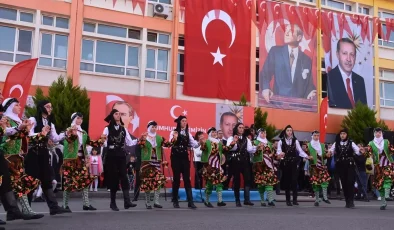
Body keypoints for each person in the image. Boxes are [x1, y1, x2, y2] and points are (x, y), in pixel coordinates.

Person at [0, 98, 44, 219]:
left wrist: (41, 134)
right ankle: (21, 211)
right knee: (15, 184)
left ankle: (17, 211)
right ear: (10, 106)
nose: (20, 107)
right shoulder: (6, 119)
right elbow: (8, 133)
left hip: (16, 157)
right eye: (17, 105)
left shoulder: (18, 121)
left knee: (18, 184)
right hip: (7, 156)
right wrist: (22, 128)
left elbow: (28, 137)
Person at [260, 24, 316, 102]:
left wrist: (311, 92)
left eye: (291, 31)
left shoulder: (306, 60)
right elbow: (265, 74)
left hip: (299, 107)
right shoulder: (276, 52)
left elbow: (309, 85)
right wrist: (265, 88)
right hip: (277, 103)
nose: (286, 33)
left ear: (299, 38)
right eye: (286, 30)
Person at [62, 112, 105, 211]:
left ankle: (86, 204)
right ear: (73, 119)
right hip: (70, 160)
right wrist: (72, 133)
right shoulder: (69, 130)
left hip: (81, 160)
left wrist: (100, 140)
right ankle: (65, 205)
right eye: (78, 118)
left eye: (81, 118)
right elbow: (68, 140)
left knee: (85, 181)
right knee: (68, 182)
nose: (80, 120)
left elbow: (90, 143)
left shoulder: (84, 133)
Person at [102, 109, 139, 211]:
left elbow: (130, 142)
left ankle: (127, 202)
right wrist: (103, 141)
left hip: (121, 155)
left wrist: (139, 140)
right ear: (112, 116)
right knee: (114, 178)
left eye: (119, 114)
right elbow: (104, 142)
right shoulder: (107, 129)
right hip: (111, 155)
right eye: (116, 114)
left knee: (124, 176)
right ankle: (112, 203)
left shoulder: (124, 129)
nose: (118, 115)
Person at [138, 120, 173, 209]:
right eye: (152, 127)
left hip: (157, 162)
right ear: (149, 127)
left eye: (155, 127)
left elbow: (167, 144)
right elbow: (140, 145)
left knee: (159, 180)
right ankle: (148, 202)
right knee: (148, 182)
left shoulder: (159, 138)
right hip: (147, 162)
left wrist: (174, 138)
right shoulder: (144, 137)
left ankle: (156, 201)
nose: (154, 128)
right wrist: (142, 138)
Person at [327, 38, 367, 109]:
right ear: (337, 55)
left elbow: (363, 111)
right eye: (345, 53)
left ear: (355, 57)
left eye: (352, 54)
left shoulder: (360, 81)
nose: (348, 59)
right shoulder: (329, 77)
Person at [169, 115, 199, 209]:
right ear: (179, 122)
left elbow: (194, 144)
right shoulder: (174, 132)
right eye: (183, 121)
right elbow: (170, 143)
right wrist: (174, 138)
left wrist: (200, 143)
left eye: (186, 121)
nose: (184, 122)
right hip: (176, 157)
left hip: (185, 157)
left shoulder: (187, 133)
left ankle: (190, 202)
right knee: (177, 179)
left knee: (187, 179)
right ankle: (175, 200)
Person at [277, 125, 311, 206]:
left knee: (294, 181)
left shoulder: (295, 141)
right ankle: (288, 200)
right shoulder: (281, 141)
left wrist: (307, 156)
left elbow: (300, 151)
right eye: (288, 130)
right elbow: (278, 151)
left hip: (294, 163)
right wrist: (280, 154)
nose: (289, 132)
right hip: (285, 163)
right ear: (285, 131)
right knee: (287, 182)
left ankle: (295, 200)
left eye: (290, 130)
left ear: (292, 132)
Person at [328, 128, 360, 209]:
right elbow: (330, 151)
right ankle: (347, 201)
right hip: (341, 166)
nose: (342, 135)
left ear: (347, 135)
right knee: (344, 183)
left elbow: (358, 152)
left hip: (349, 165)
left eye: (344, 134)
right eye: (341, 134)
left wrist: (362, 151)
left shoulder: (351, 143)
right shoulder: (336, 143)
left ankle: (351, 201)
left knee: (350, 182)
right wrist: (329, 153)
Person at [226, 123, 256, 207]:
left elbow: (250, 149)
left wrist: (257, 148)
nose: (241, 129)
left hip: (245, 161)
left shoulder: (246, 139)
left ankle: (247, 199)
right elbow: (229, 148)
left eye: (242, 128)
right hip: (235, 161)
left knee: (247, 180)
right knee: (237, 180)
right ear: (236, 128)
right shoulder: (231, 138)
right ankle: (237, 200)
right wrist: (234, 142)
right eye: (240, 127)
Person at [365, 127, 393, 210]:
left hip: (387, 163)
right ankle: (383, 203)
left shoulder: (386, 141)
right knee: (380, 184)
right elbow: (369, 153)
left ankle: (387, 195)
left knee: (388, 177)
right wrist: (364, 152)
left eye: (379, 132)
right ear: (374, 134)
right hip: (378, 166)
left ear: (381, 134)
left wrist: (392, 149)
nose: (378, 134)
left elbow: (391, 150)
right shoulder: (371, 143)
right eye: (376, 132)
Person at [199, 127, 227, 208]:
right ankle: (207, 201)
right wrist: (201, 142)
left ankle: (220, 201)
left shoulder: (219, 142)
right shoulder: (207, 142)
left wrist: (233, 142)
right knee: (210, 184)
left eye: (215, 132)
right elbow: (203, 148)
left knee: (219, 182)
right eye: (213, 132)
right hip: (209, 166)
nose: (215, 134)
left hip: (217, 165)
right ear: (210, 134)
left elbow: (225, 149)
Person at [253, 128, 277, 206]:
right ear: (259, 134)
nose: (264, 134)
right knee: (261, 184)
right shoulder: (255, 142)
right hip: (260, 166)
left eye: (265, 133)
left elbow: (273, 154)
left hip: (268, 166)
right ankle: (262, 200)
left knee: (270, 182)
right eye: (262, 133)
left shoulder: (269, 143)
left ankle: (270, 200)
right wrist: (258, 149)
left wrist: (276, 155)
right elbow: (253, 154)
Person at [307, 131, 331, 206]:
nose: (316, 137)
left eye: (318, 135)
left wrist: (327, 155)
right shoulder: (308, 145)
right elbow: (305, 155)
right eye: (315, 135)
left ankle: (325, 197)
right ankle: (317, 200)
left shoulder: (322, 145)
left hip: (322, 165)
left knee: (325, 181)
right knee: (315, 183)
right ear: (312, 136)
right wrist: (308, 157)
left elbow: (324, 155)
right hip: (314, 167)